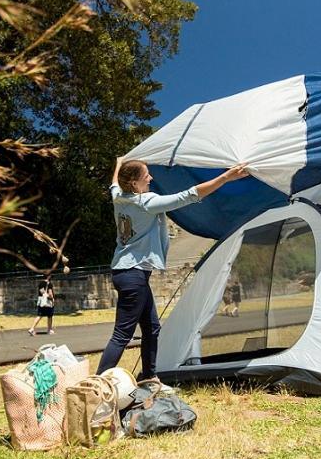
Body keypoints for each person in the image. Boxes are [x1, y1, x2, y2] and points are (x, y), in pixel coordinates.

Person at [96, 157, 250, 379]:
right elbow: (188, 195)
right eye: (146, 175)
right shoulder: (146, 202)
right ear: (134, 184)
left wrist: (118, 163)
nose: (151, 177)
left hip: (127, 272)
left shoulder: (119, 197)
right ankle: (96, 388)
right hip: (133, 274)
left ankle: (149, 377)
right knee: (122, 334)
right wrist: (226, 177)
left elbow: (113, 184)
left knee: (151, 328)